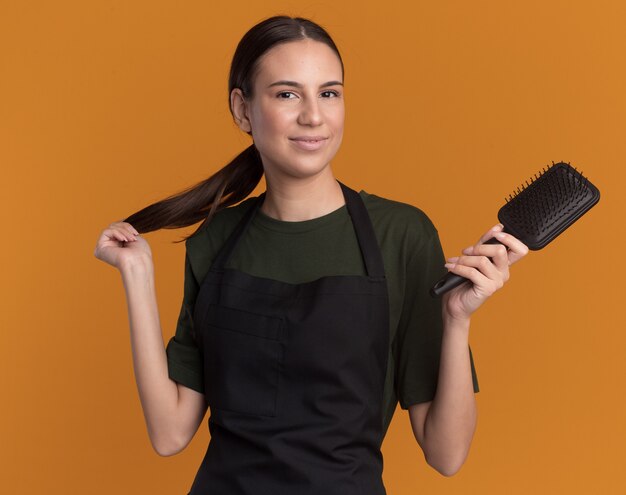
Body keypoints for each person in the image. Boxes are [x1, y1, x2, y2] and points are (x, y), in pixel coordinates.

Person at [94, 15, 528, 494]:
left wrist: (456, 320)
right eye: (287, 94)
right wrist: (137, 278)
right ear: (242, 110)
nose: (314, 116)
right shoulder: (216, 240)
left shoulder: (401, 235)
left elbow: (446, 455)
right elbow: (170, 433)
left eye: (329, 92)